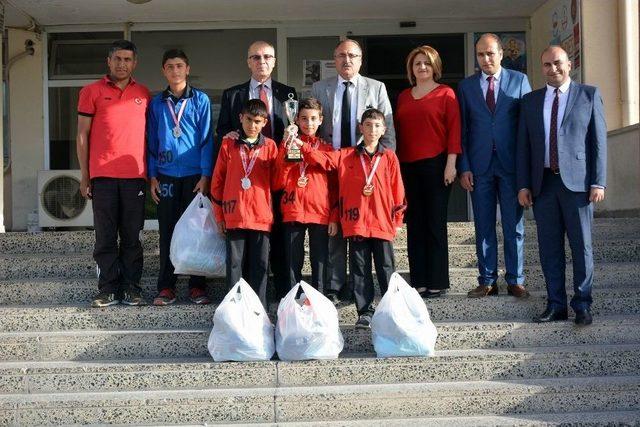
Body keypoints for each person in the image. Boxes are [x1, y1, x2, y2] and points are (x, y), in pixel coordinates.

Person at [517, 46, 607, 326]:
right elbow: (524, 147)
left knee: (582, 247)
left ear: (570, 64)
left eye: (557, 63)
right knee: (549, 249)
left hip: (578, 185)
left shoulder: (588, 95)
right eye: (546, 65)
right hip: (543, 184)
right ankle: (556, 305)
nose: (552, 69)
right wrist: (523, 185)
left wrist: (598, 181)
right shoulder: (530, 101)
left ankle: (582, 304)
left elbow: (598, 143)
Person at [295, 108, 405, 329]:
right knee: (359, 269)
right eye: (368, 125)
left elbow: (398, 190)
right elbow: (324, 160)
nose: (372, 130)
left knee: (386, 268)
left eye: (377, 125)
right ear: (360, 128)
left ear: (383, 129)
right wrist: (301, 145)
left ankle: (393, 309)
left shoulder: (389, 157)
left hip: (382, 223)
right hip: (356, 224)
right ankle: (365, 312)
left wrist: (397, 220)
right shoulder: (346, 155)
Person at [311, 39, 396, 304]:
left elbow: (388, 131)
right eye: (341, 55)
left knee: (365, 228)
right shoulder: (320, 88)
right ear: (334, 59)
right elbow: (313, 126)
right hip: (332, 167)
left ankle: (373, 289)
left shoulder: (376, 87)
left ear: (360, 60)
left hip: (365, 168)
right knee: (335, 228)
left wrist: (383, 165)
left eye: (352, 55)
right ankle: (335, 286)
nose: (347, 60)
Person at [215, 40, 297, 301]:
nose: (262, 62)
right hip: (242, 179)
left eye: (267, 57)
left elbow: (294, 130)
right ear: (248, 61)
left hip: (275, 175)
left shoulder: (289, 93)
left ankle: (282, 297)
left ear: (274, 61)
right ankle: (239, 302)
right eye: (256, 57)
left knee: (279, 244)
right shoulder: (233, 94)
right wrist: (228, 136)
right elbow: (222, 131)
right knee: (241, 253)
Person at [457, 33, 532, 299]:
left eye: (490, 53)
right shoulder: (466, 87)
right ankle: (487, 280)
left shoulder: (519, 80)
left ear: (501, 54)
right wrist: (464, 166)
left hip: (511, 166)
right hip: (479, 167)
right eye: (480, 54)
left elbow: (527, 128)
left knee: (514, 226)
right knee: (484, 225)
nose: (485, 59)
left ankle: (516, 279)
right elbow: (462, 130)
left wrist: (527, 172)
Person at [76, 40, 150, 308]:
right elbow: (82, 134)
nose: (122, 64)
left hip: (135, 177)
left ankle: (131, 288)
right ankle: (107, 289)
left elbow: (149, 137)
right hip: (103, 176)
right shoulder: (91, 91)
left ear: (135, 63)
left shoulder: (144, 93)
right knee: (105, 236)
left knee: (133, 236)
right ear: (108, 61)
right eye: (117, 59)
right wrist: (85, 175)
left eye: (127, 59)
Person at [146, 49, 213, 306]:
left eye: (179, 66)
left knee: (197, 231)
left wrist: (206, 174)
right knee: (168, 232)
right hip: (165, 176)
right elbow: (152, 141)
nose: (175, 70)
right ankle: (167, 286)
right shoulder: (156, 103)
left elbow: (207, 140)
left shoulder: (201, 100)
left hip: (194, 176)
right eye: (170, 66)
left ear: (187, 69)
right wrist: (152, 176)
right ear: (164, 70)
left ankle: (197, 286)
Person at [394, 45, 461, 298]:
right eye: (417, 63)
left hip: (437, 165)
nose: (422, 67)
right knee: (415, 225)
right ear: (411, 68)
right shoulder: (403, 96)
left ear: (435, 67)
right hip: (408, 166)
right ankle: (419, 281)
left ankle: (437, 281)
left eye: (426, 63)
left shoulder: (446, 94)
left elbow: (454, 130)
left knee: (434, 224)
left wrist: (451, 164)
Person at [211, 99, 279, 309]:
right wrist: (220, 215)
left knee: (260, 266)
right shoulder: (228, 144)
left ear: (265, 122)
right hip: (235, 215)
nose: (252, 125)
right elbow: (217, 182)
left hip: (260, 216)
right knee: (234, 265)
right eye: (249, 120)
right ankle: (234, 310)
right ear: (240, 118)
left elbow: (277, 182)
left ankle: (259, 310)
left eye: (258, 121)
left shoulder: (270, 146)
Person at [275, 98, 337, 292]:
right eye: (303, 119)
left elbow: (328, 166)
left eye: (312, 119)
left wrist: (301, 144)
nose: (308, 123)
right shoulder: (287, 144)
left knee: (319, 259)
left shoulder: (327, 147)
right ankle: (294, 300)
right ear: (297, 120)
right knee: (293, 259)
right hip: (293, 208)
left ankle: (318, 298)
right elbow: (278, 181)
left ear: (321, 120)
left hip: (319, 210)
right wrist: (286, 147)